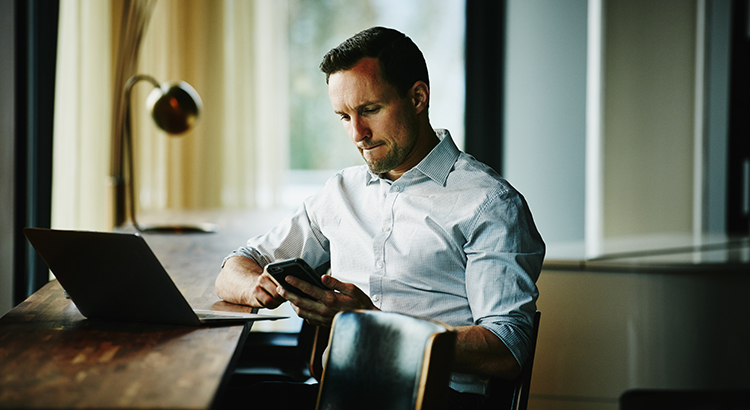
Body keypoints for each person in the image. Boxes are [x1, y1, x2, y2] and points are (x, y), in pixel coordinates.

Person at [215, 26, 544, 409]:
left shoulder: (489, 203)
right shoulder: (340, 193)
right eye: (344, 116)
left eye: (370, 110)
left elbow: (507, 349)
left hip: (438, 399)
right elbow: (234, 267)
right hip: (338, 393)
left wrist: (371, 323)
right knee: (206, 397)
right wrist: (259, 287)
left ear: (418, 97)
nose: (358, 133)